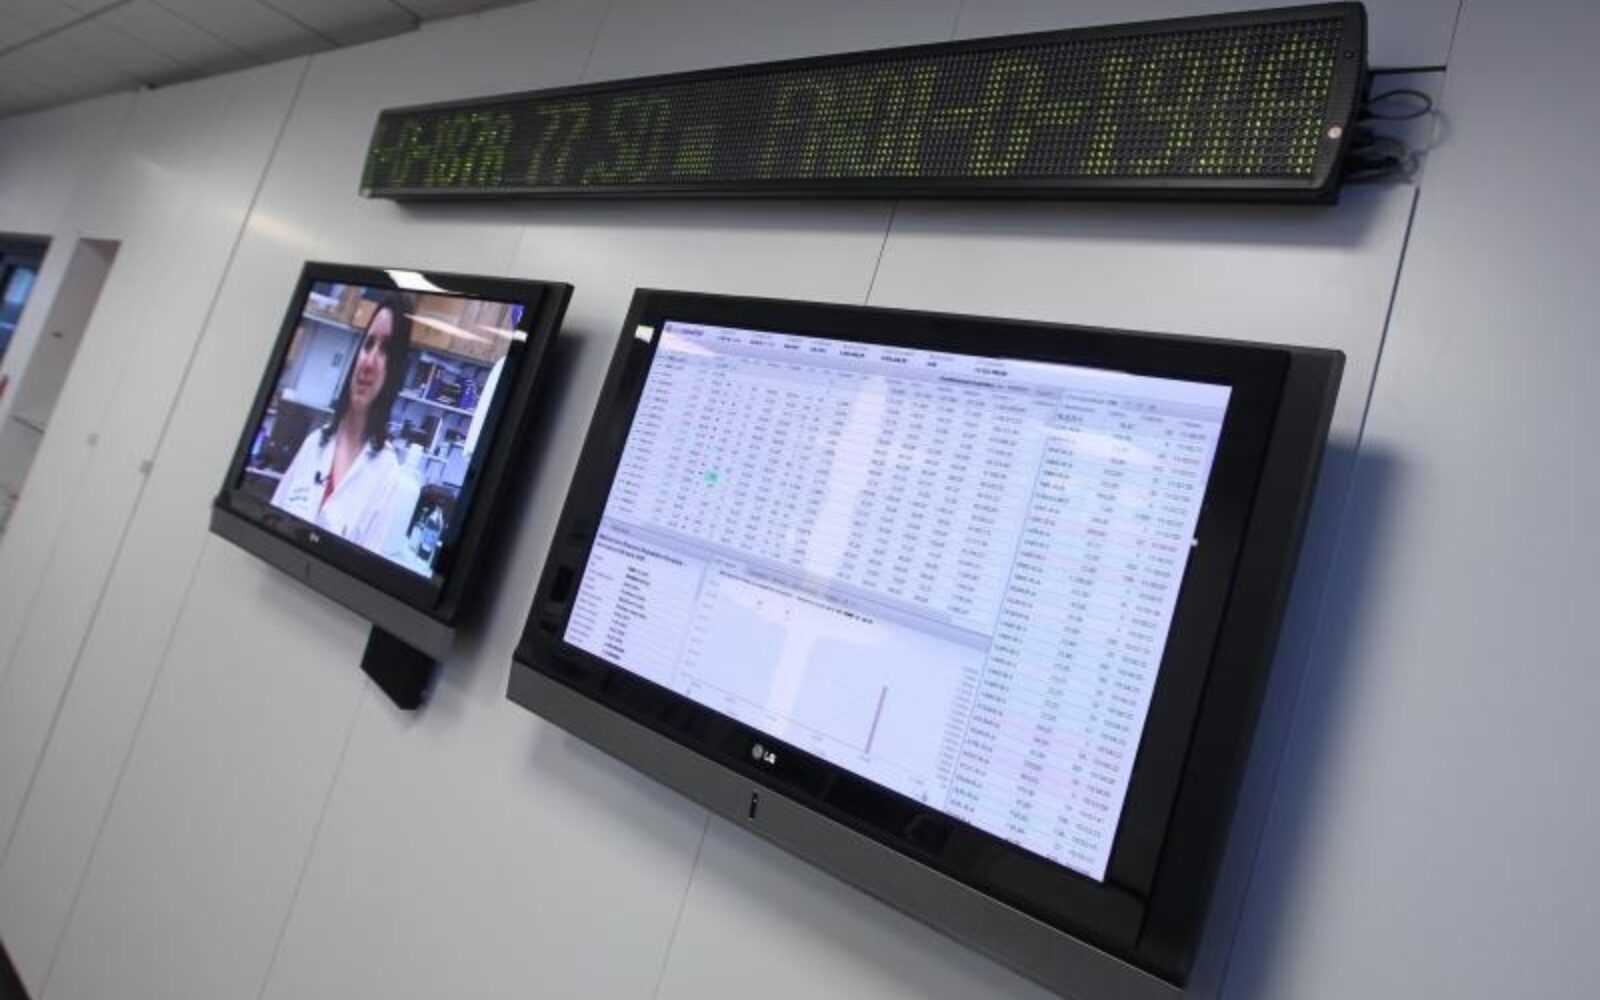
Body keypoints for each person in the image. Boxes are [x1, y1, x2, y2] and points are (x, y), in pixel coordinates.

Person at [271, 291, 420, 553]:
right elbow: (269, 527)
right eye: (368, 344)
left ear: (395, 371)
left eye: (385, 350)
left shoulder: (386, 473)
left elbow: (362, 570)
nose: (369, 362)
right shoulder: (315, 443)